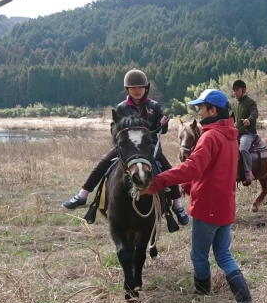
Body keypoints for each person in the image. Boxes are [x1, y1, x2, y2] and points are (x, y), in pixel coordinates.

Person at [140, 89, 254, 303]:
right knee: (223, 254)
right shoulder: (229, 134)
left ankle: (202, 298)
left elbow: (193, 167)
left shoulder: (210, 137)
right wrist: (191, 185)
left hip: (208, 208)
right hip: (225, 207)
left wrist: (159, 181)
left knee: (199, 256)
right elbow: (215, 170)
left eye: (201, 108)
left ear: (212, 110)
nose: (198, 112)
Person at [62, 69, 189, 225]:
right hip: (127, 148)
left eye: (140, 87)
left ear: (146, 88)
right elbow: (113, 129)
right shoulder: (122, 108)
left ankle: (177, 206)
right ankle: (82, 195)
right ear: (127, 89)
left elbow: (161, 130)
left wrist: (163, 124)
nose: (137, 90)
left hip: (149, 147)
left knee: (169, 170)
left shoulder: (154, 106)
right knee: (103, 163)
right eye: (133, 87)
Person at [229, 79, 258, 186]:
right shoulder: (234, 104)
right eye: (234, 90)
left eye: (237, 90)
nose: (235, 92)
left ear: (244, 90)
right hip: (237, 133)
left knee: (243, 149)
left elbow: (254, 114)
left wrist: (249, 120)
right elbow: (230, 118)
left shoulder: (250, 102)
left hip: (248, 133)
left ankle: (249, 173)